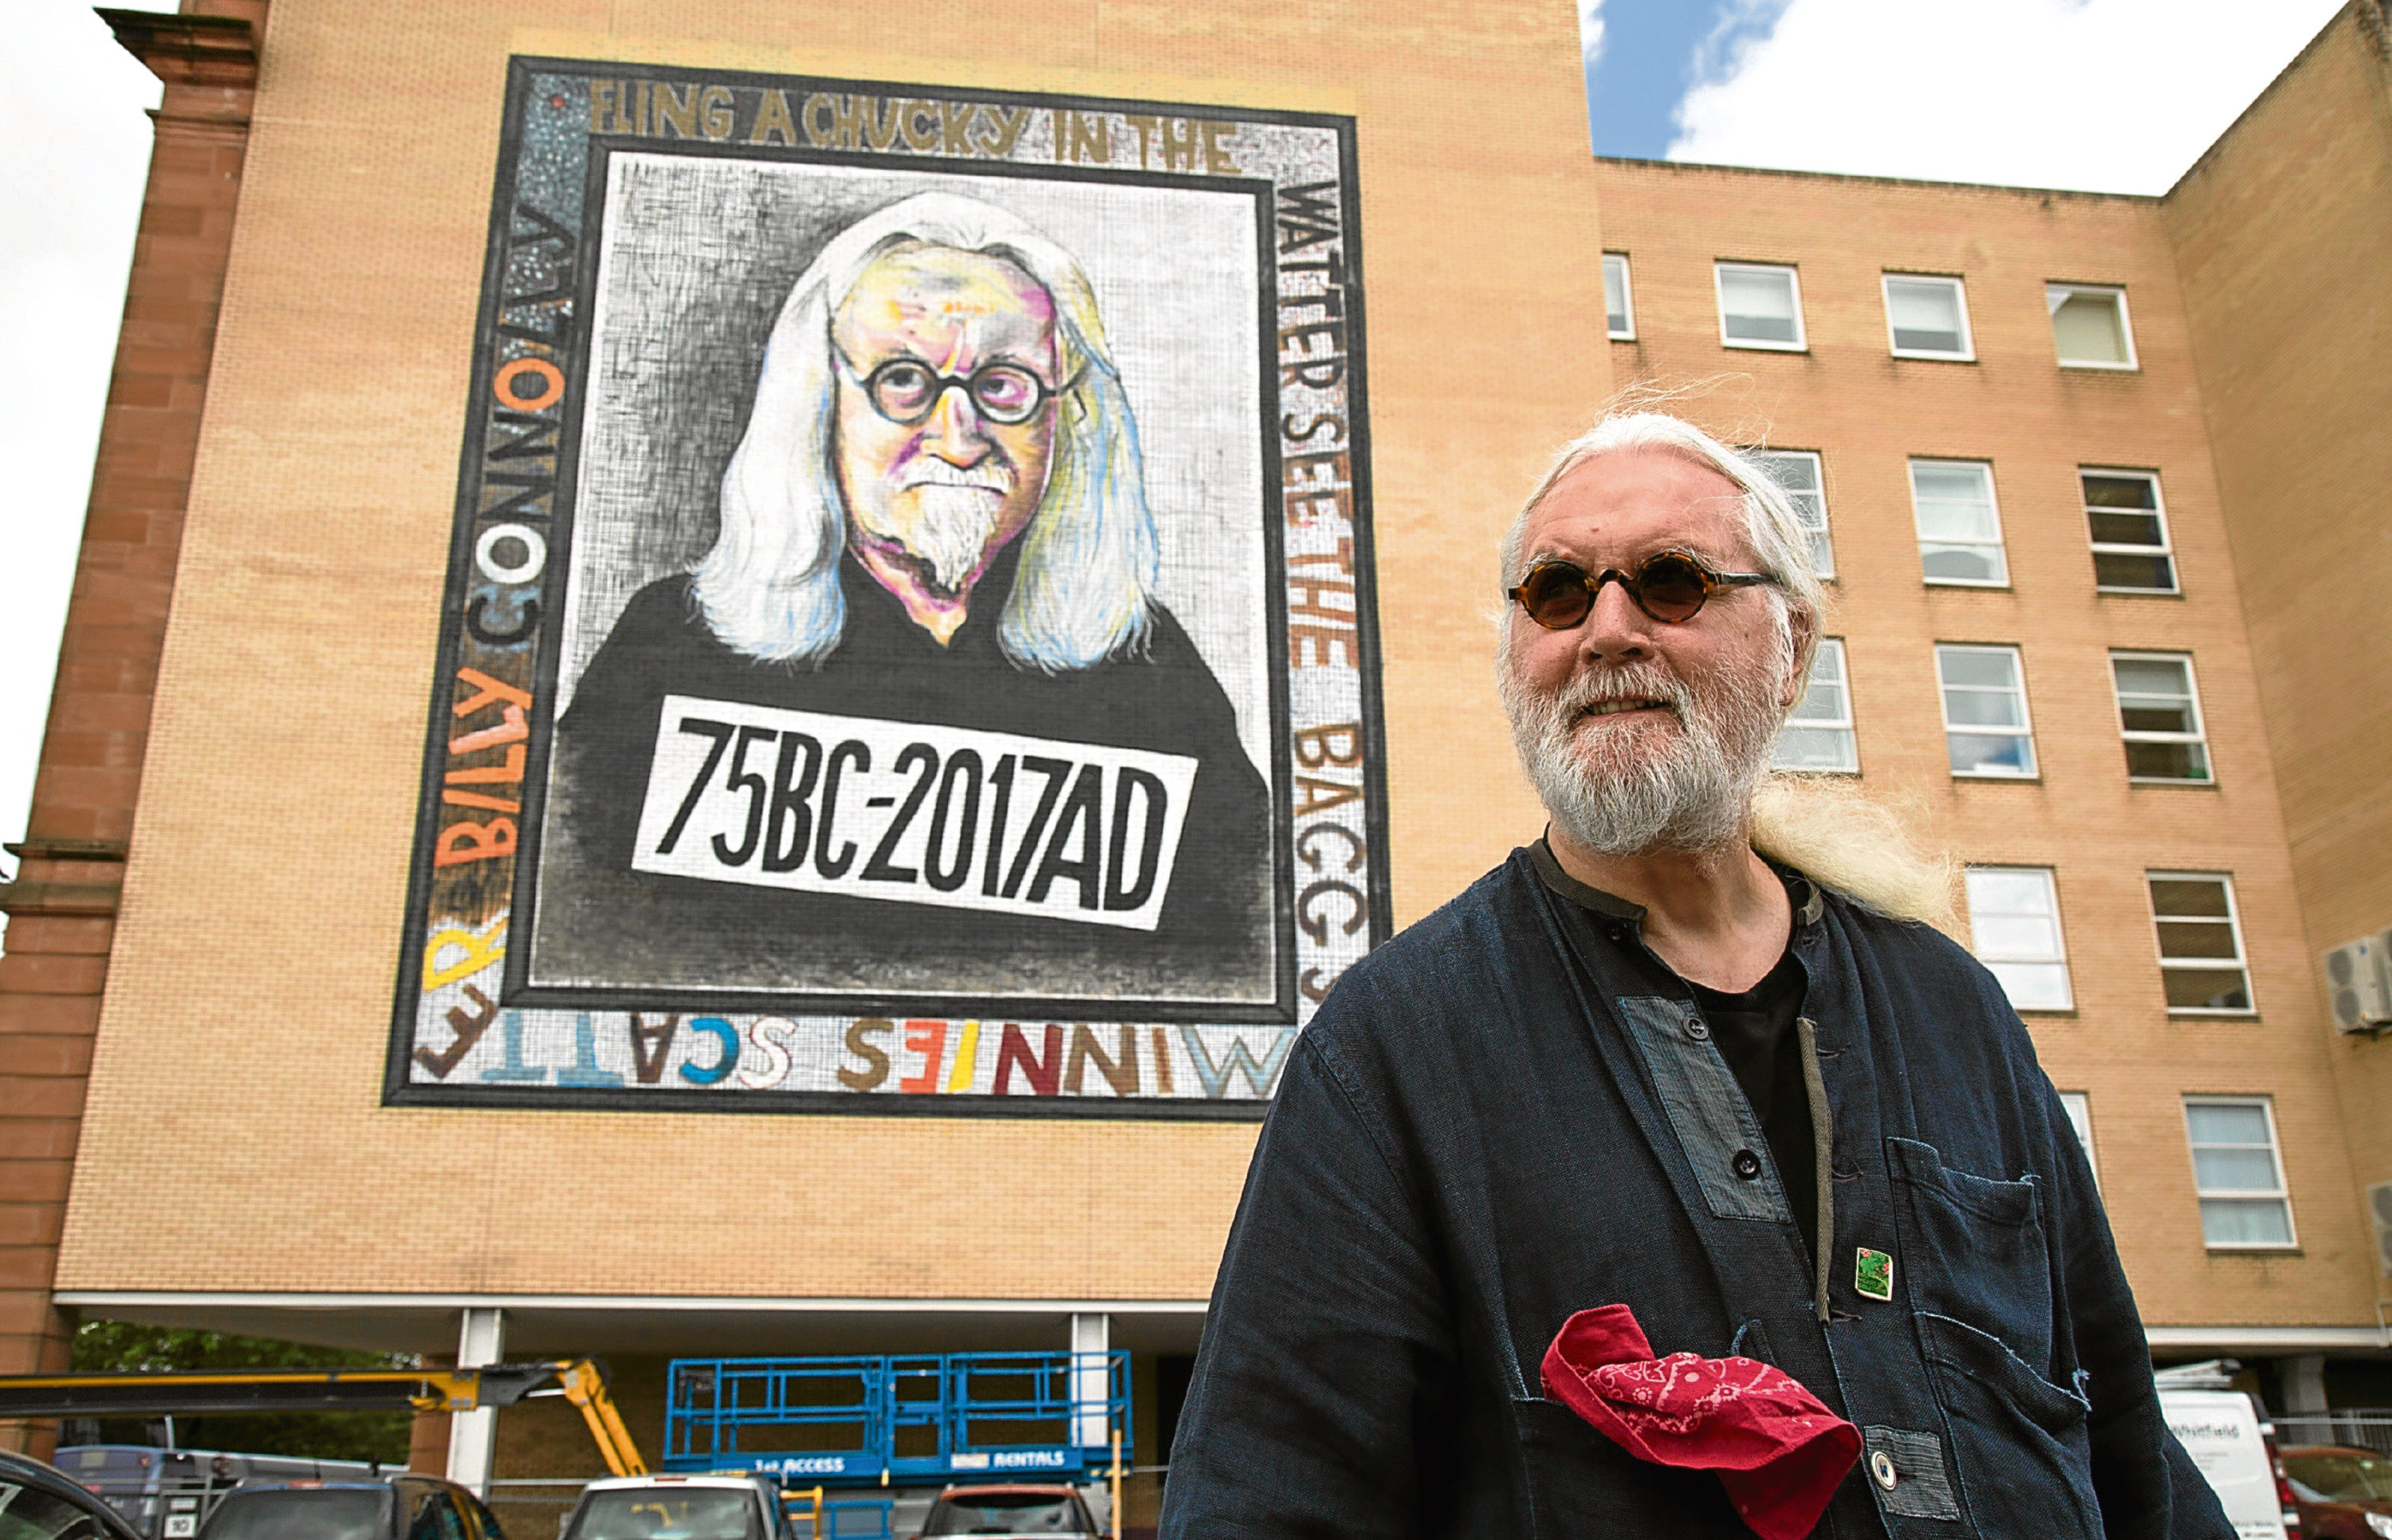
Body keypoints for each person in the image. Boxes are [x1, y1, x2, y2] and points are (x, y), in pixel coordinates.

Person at [1159, 412, 2232, 1538]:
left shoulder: (1952, 1008)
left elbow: (2125, 1445)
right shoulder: (1396, 1042)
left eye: (1671, 581)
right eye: (1558, 592)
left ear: (1792, 648)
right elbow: (1270, 1494)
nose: (1607, 629)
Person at [533, 192, 1275, 1006]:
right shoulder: (675, 647)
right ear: (816, 404)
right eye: (902, 380)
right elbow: (575, 932)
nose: (958, 439)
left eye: (1004, 384)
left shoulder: (1150, 672)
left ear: (1067, 421)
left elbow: (1235, 959)